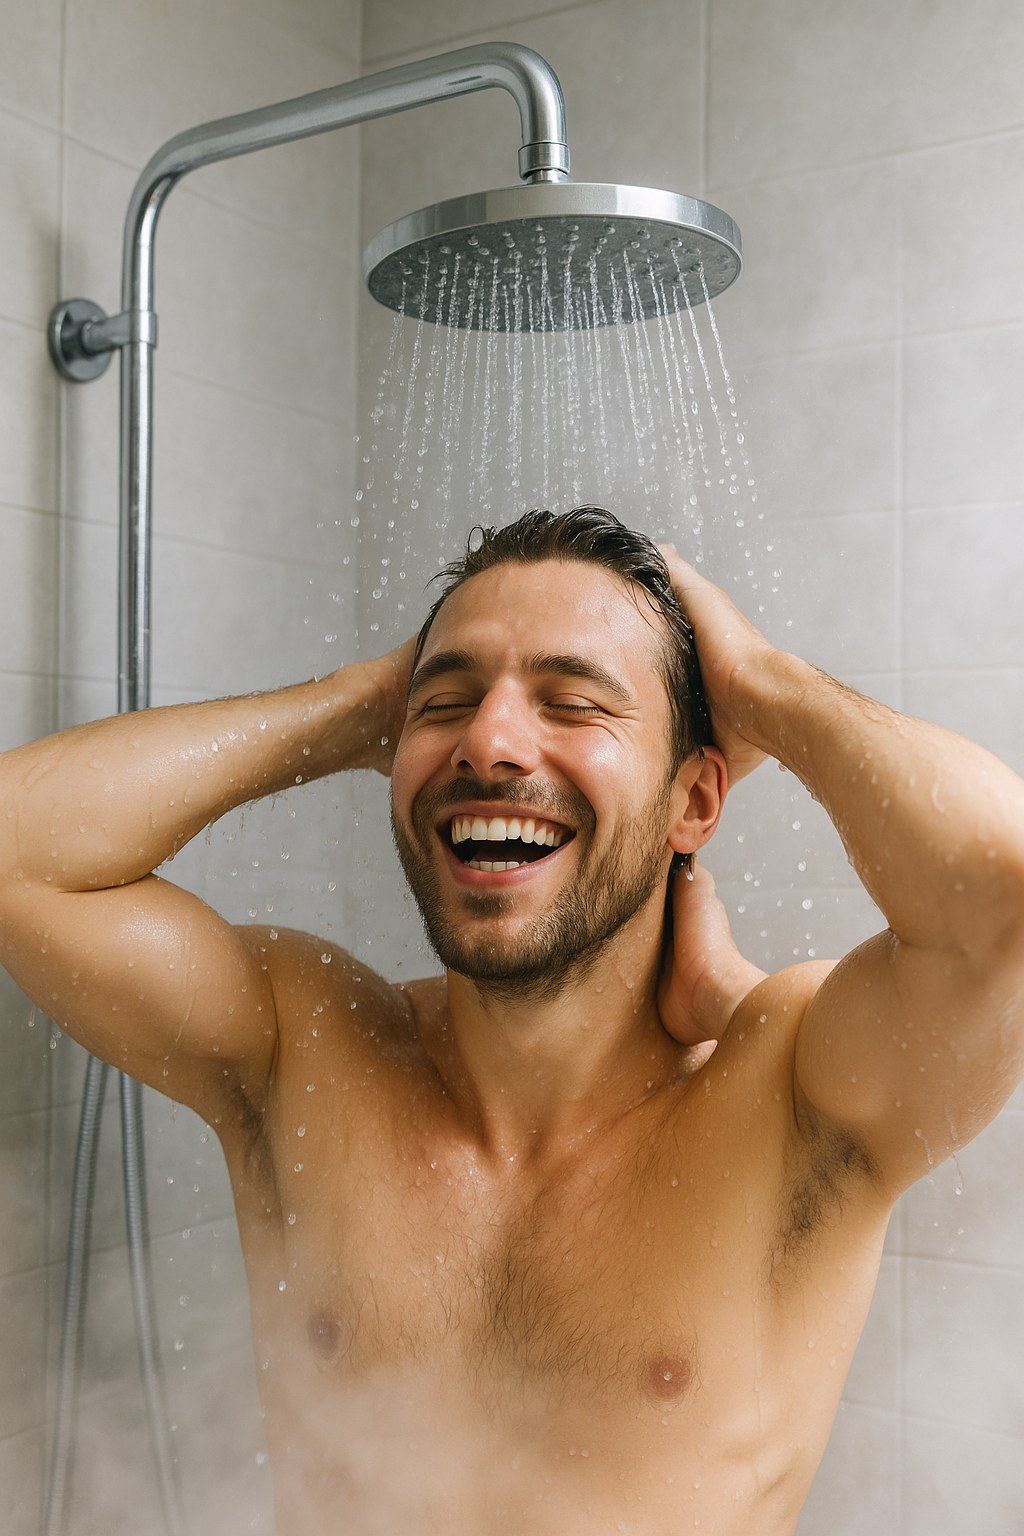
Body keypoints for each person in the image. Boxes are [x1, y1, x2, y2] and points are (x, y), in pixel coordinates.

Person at [2, 505, 1023, 1536]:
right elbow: (16, 854)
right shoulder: (305, 1046)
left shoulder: (785, 1094)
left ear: (693, 802)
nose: (487, 740)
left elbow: (1001, 898)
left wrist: (759, 683)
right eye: (444, 702)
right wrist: (358, 705)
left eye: (573, 704)